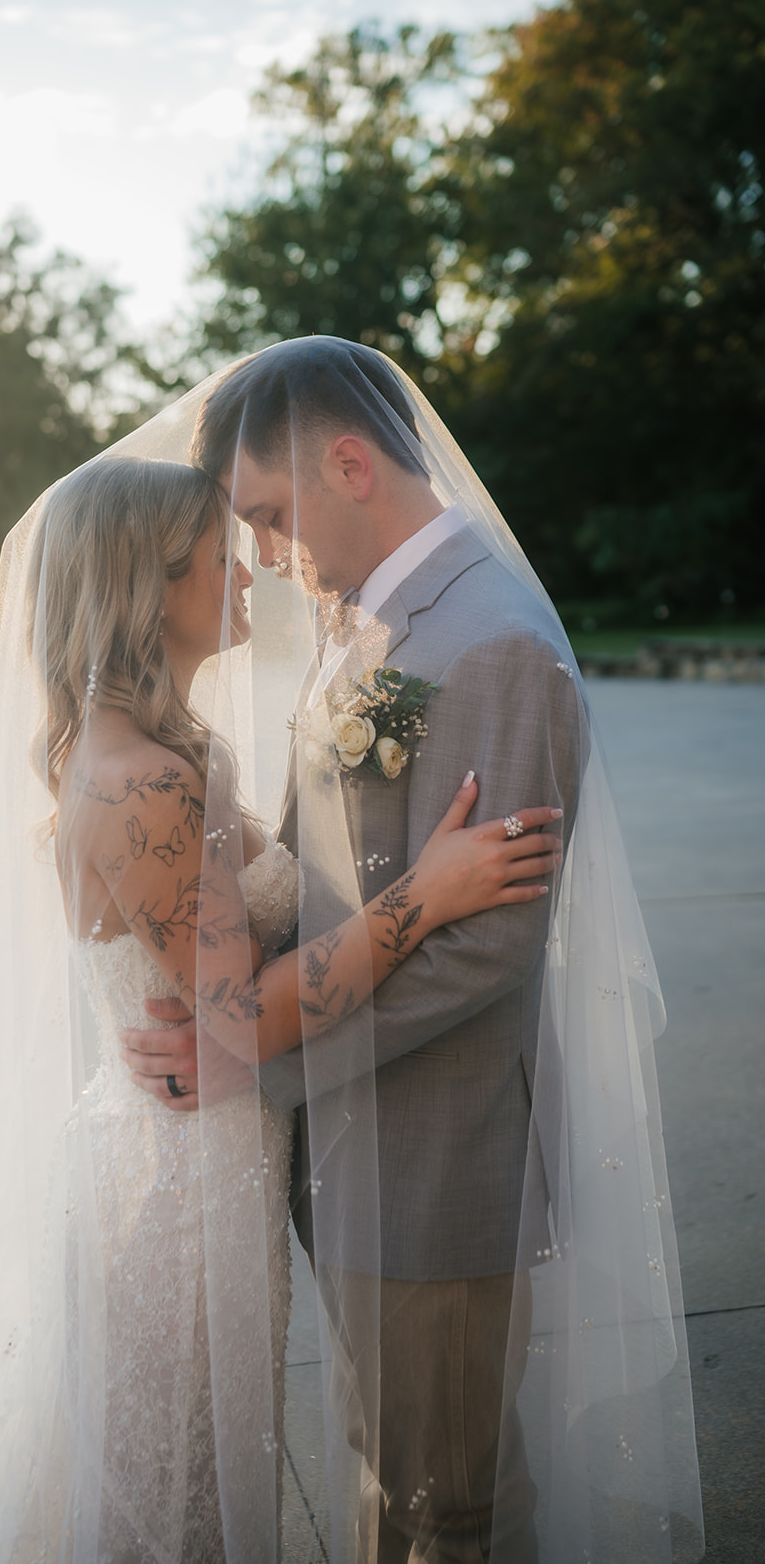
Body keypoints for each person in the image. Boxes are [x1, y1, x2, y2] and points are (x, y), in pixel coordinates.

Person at [0, 452, 558, 1564]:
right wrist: (428, 893)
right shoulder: (144, 782)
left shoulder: (159, 756)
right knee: (159, 1508)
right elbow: (242, 1023)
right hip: (169, 1198)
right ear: (153, 583)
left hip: (196, 1165)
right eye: (224, 552)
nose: (253, 570)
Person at [120, 338, 704, 1563]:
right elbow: (332, 851)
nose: (268, 557)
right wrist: (219, 968)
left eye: (272, 518)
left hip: (432, 1164)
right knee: (398, 1474)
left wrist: (258, 1051)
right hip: (349, 1149)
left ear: (348, 463)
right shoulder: (373, 618)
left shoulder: (487, 642)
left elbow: (481, 953)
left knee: (454, 1504)